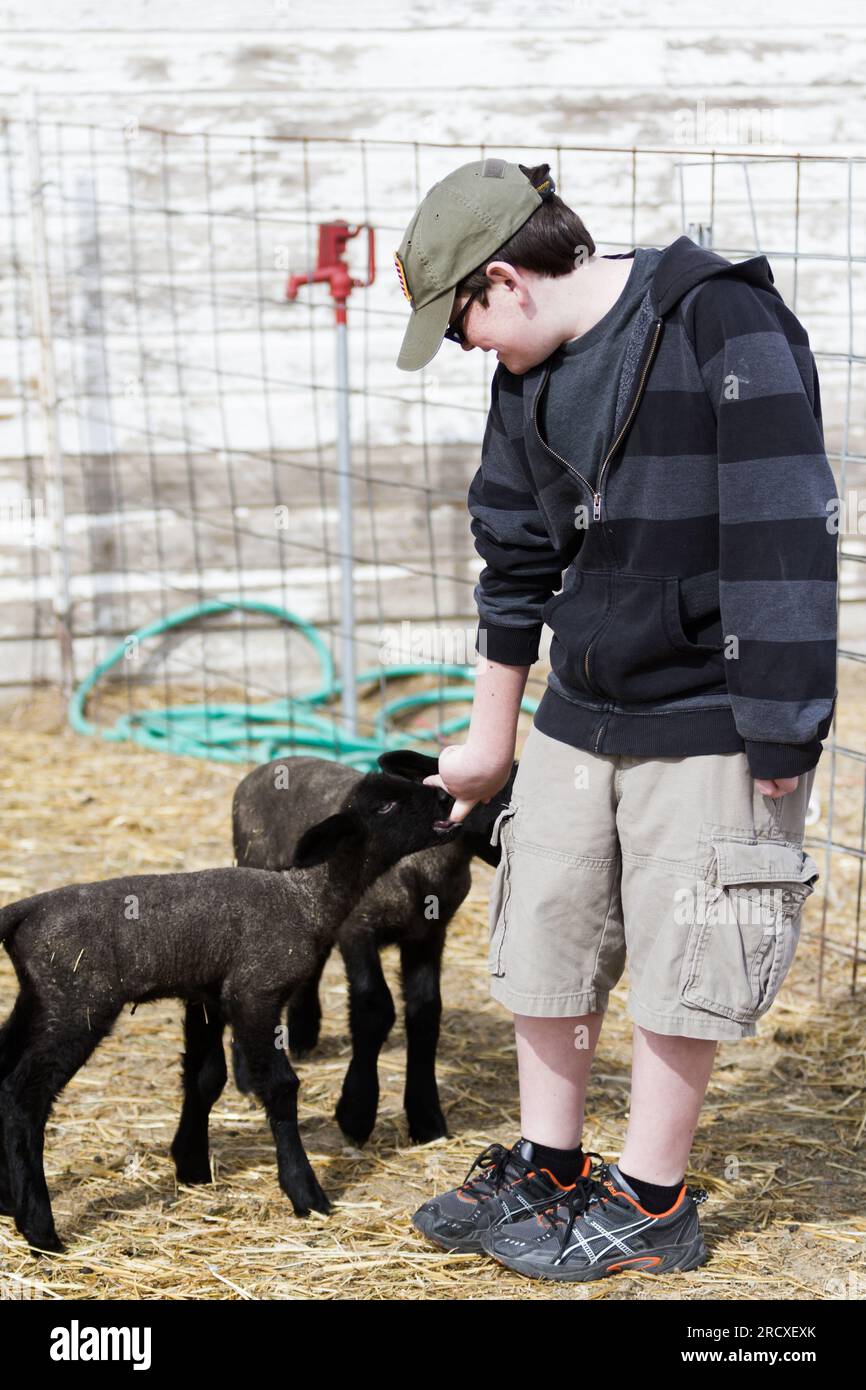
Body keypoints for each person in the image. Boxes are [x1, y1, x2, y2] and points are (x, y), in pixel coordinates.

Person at [392, 158, 838, 1282]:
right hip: (578, 706)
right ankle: (550, 1166)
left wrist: (781, 723)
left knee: (688, 941)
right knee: (545, 922)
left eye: (462, 326)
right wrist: (489, 744)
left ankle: (650, 1199)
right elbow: (512, 558)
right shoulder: (528, 375)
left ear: (505, 278)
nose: (469, 350)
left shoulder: (718, 320)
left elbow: (784, 520)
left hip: (708, 710)